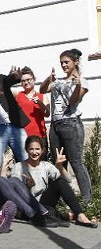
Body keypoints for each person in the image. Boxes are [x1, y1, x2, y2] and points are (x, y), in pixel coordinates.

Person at [39, 48, 93, 204]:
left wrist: (76, 85)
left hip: (71, 125)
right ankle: (63, 198)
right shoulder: (58, 81)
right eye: (61, 62)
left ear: (75, 62)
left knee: (76, 162)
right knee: (59, 163)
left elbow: (73, 102)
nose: (63, 65)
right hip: (55, 126)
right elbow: (42, 90)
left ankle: (86, 201)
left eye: (66, 62)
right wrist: (48, 79)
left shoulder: (83, 81)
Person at [11, 136, 97, 228]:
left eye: (37, 149)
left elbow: (68, 180)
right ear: (26, 150)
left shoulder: (46, 165)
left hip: (44, 204)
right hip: (28, 205)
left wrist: (60, 167)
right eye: (31, 149)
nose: (34, 152)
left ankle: (80, 215)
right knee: (49, 212)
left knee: (59, 182)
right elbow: (14, 194)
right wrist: (28, 187)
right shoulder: (18, 167)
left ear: (42, 150)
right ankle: (59, 216)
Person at [15, 66, 49, 157]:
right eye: (23, 81)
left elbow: (47, 114)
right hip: (23, 137)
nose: (26, 82)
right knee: (24, 167)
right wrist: (12, 77)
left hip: (40, 136)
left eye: (28, 79)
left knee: (41, 165)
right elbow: (3, 90)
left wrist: (39, 103)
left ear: (34, 79)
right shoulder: (18, 95)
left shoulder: (42, 95)